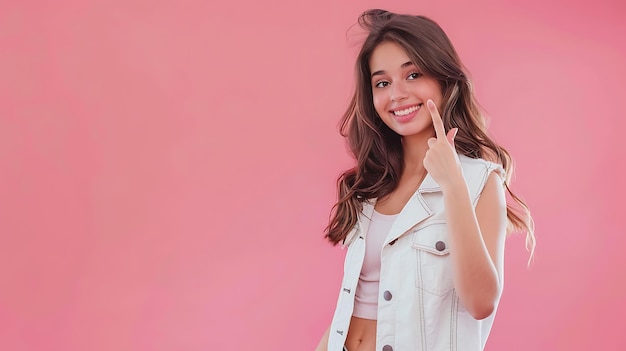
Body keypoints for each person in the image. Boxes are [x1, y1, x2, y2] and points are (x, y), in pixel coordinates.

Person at [315, 9, 536, 351]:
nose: (397, 94)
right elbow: (354, 303)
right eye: (382, 83)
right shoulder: (372, 185)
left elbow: (481, 302)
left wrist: (452, 186)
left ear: (445, 79)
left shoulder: (478, 180)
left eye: (413, 74)